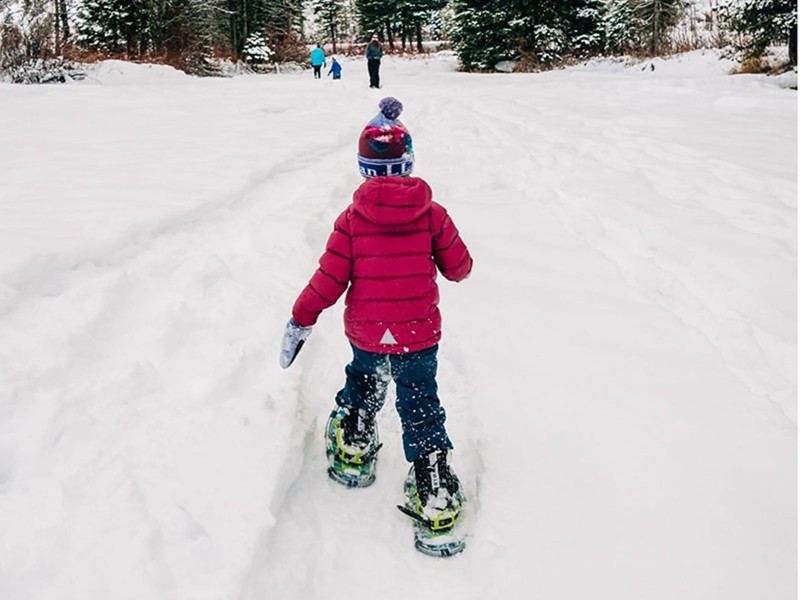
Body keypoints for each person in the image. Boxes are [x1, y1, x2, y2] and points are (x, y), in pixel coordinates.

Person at [279, 97, 472, 529]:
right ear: (408, 163)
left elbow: (327, 279)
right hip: (418, 334)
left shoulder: (351, 220)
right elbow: (459, 268)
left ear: (364, 168)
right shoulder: (433, 215)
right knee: (420, 399)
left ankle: (354, 440)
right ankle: (433, 482)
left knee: (364, 379)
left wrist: (300, 318)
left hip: (367, 332)